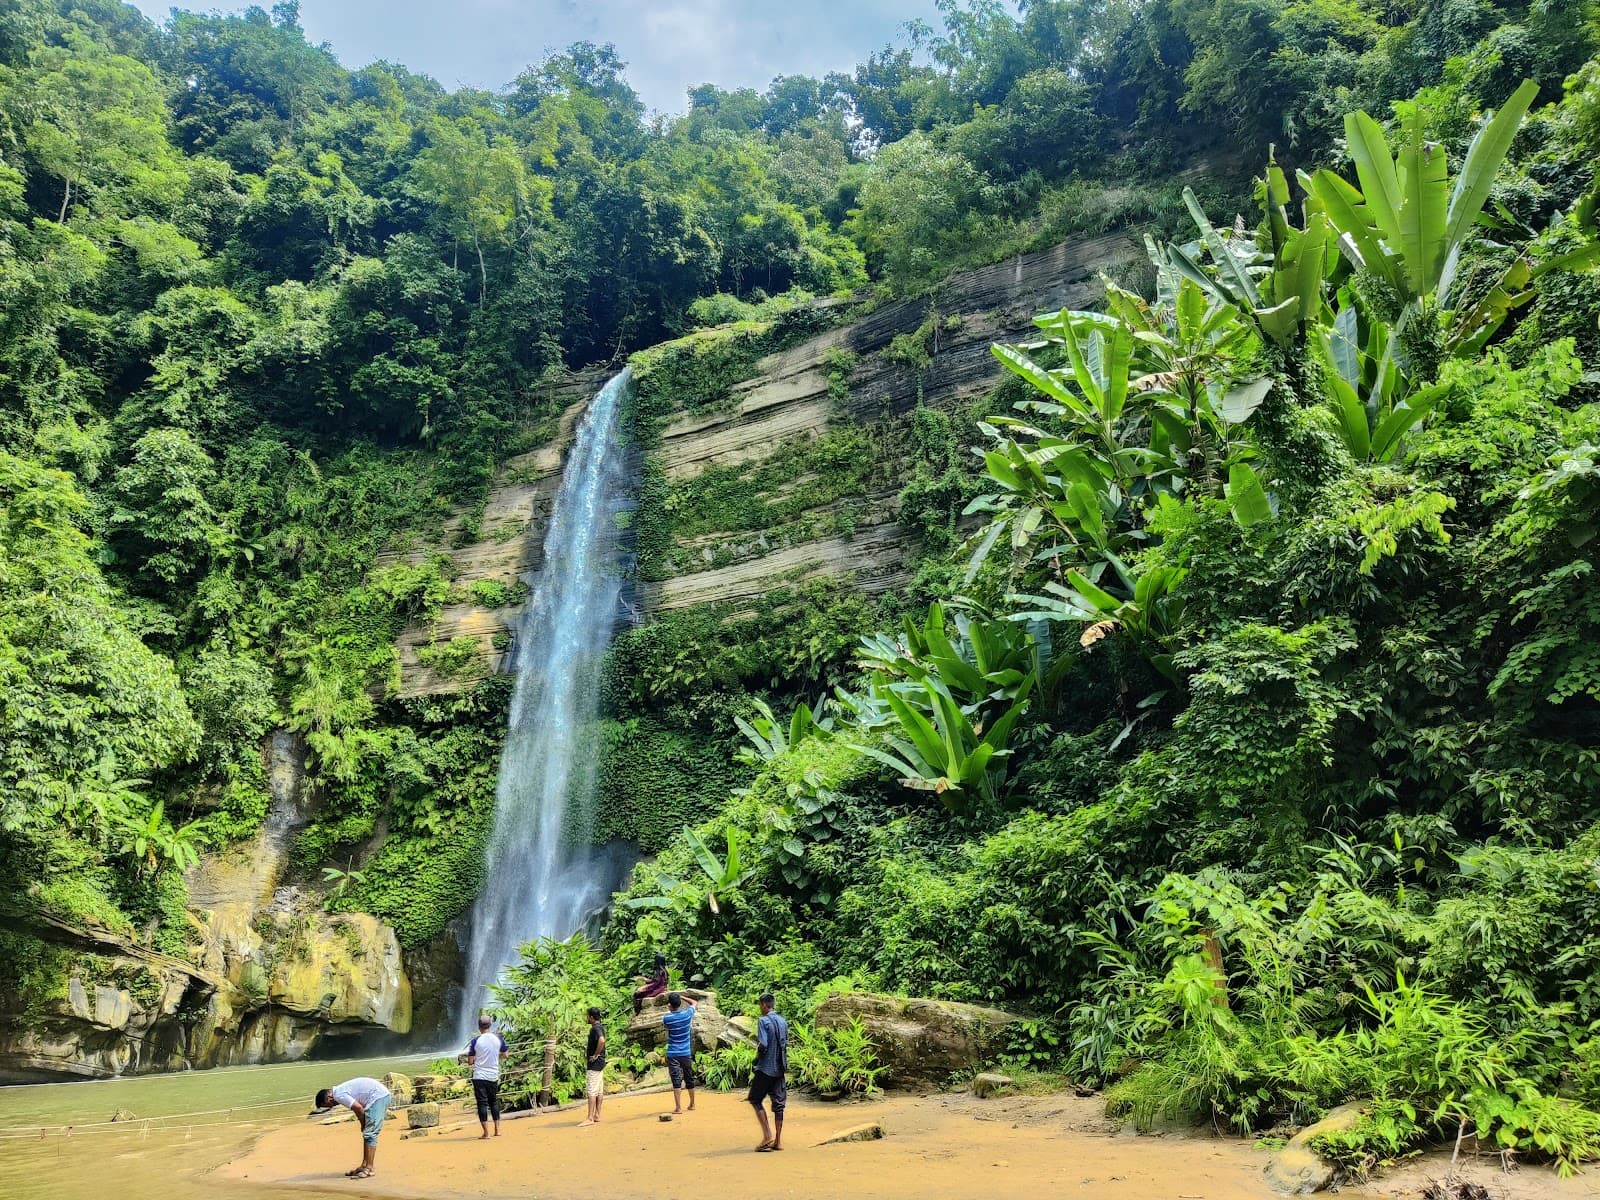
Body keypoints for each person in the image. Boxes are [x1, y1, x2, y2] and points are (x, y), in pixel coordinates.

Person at [314, 1076, 392, 1180]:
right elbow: (357, 1108)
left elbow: (358, 1108)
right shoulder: (339, 1091)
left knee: (370, 1134)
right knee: (367, 1134)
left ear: (329, 1098)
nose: (332, 1106)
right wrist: (363, 1124)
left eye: (328, 1105)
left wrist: (363, 1123)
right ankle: (364, 1165)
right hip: (378, 1096)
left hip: (378, 1097)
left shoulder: (338, 1095)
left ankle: (370, 1168)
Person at [747, 992, 789, 1152]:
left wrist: (757, 1059)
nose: (760, 1008)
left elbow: (763, 1044)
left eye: (760, 1005)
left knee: (755, 1099)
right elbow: (785, 1043)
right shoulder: (783, 1021)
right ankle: (777, 1141)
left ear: (764, 1005)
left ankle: (767, 1136)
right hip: (780, 1069)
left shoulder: (763, 1021)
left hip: (765, 1069)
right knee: (779, 1105)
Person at [467, 1014, 506, 1140]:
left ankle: (486, 1133)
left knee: (482, 1104)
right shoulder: (498, 1038)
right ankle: (498, 1130)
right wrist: (495, 1056)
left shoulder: (475, 1041)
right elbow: (505, 1055)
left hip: (479, 1076)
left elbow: (470, 1061)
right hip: (493, 1075)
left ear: (479, 1027)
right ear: (490, 1025)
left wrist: (477, 1058)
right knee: (493, 1101)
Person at [660, 991, 697, 1113]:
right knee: (689, 1077)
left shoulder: (667, 1018)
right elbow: (694, 1002)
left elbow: (665, 1026)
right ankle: (692, 1104)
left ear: (670, 1005)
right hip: (685, 1052)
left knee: (676, 1080)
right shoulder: (687, 1014)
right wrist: (681, 996)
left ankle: (678, 1107)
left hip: (673, 1053)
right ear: (680, 1003)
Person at [580, 1006, 606, 1127]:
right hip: (600, 1063)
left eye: (587, 1016)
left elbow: (601, 1040)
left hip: (595, 1064)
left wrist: (595, 1054)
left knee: (591, 1090)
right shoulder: (600, 1026)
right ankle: (597, 1115)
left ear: (591, 1017)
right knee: (599, 1090)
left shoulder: (595, 1028)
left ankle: (590, 1117)